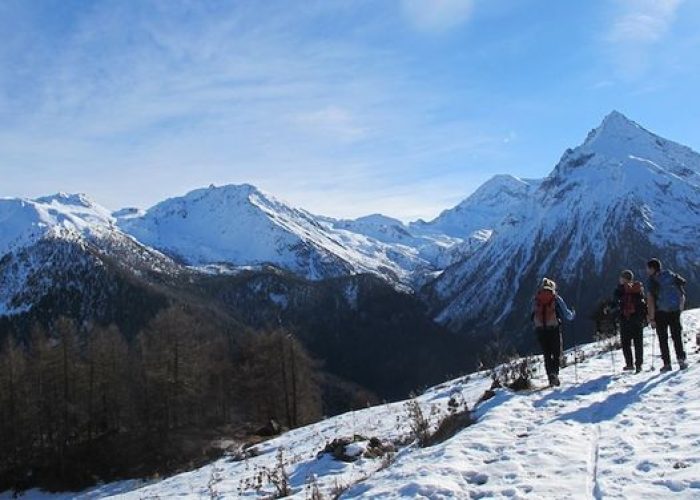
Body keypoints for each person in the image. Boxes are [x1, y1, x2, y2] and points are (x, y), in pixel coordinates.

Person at [532, 278, 576, 386]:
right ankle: (554, 374)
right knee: (556, 354)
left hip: (541, 330)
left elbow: (532, 314)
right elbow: (567, 315)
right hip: (554, 329)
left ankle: (550, 377)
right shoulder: (556, 298)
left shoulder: (537, 298)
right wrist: (573, 314)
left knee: (547, 354)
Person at [646, 258, 688, 371]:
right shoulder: (670, 275)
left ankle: (667, 364)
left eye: (648, 268)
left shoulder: (652, 281)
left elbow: (650, 300)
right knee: (677, 336)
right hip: (674, 311)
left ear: (652, 268)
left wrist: (651, 318)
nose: (647, 270)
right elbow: (682, 291)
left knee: (663, 339)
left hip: (661, 313)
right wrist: (680, 307)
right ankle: (681, 360)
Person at [609, 270, 647, 374]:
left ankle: (629, 364)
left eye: (621, 278)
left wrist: (609, 309)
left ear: (624, 278)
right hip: (638, 319)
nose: (619, 279)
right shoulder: (637, 288)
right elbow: (643, 301)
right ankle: (639, 365)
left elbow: (615, 303)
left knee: (626, 343)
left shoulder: (619, 289)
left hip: (625, 319)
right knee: (638, 342)